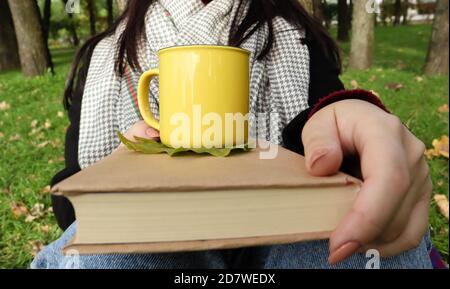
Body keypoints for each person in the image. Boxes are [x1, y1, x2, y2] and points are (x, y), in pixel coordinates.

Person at [32, 0, 433, 269]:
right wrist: (122, 175)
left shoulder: (293, 36)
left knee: (357, 243)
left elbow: (317, 118)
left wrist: (351, 115)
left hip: (272, 230)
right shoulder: (106, 56)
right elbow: (72, 193)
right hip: (162, 234)